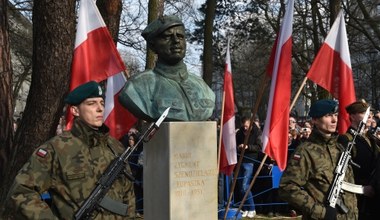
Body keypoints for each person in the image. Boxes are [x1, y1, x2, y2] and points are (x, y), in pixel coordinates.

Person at [7, 81, 136, 219]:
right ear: (75, 110)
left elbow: (128, 199)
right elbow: (21, 192)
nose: (100, 109)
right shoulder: (56, 149)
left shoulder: (116, 147)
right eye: (91, 103)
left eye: (102, 103)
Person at [119, 15, 215, 122]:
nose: (176, 41)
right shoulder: (138, 86)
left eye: (180, 36)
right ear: (153, 46)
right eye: (167, 37)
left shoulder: (202, 86)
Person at [279, 99, 358, 220]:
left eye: (335, 115)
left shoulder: (339, 147)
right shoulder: (306, 151)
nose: (334, 120)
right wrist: (321, 212)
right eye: (328, 116)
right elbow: (287, 187)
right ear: (315, 120)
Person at [337, 100, 379, 220]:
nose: (369, 116)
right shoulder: (346, 139)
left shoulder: (371, 138)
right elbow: (343, 171)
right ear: (352, 116)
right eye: (364, 113)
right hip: (359, 196)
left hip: (375, 193)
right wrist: (361, 188)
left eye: (369, 113)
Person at [235, 117, 262, 218]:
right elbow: (236, 144)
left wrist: (247, 146)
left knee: (245, 186)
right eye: (244, 126)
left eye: (247, 126)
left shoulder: (257, 132)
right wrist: (239, 147)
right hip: (240, 161)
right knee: (240, 186)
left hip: (250, 161)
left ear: (251, 124)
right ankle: (245, 208)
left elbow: (259, 147)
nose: (245, 128)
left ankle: (252, 208)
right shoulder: (239, 133)